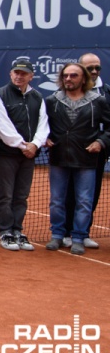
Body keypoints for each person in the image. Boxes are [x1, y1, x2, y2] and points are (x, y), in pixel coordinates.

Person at [44, 63, 110, 255]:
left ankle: (79, 237)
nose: (68, 79)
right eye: (65, 76)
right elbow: (42, 124)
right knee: (57, 200)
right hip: (59, 156)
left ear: (83, 79)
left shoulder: (98, 101)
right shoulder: (52, 100)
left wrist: (101, 141)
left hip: (87, 158)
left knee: (84, 201)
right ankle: (57, 235)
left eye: (74, 76)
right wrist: (44, 138)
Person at [0, 58, 49, 251]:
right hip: (7, 153)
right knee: (5, 195)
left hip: (29, 154)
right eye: (16, 72)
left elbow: (43, 124)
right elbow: (2, 126)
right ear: (10, 74)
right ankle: (5, 231)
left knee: (21, 195)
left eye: (23, 74)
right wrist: (23, 145)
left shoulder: (38, 97)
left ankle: (17, 230)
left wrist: (35, 144)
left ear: (31, 76)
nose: (19, 76)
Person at [61, 53, 109, 249]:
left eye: (97, 67)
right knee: (67, 192)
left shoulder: (106, 93)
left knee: (91, 193)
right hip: (69, 152)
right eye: (90, 68)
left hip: (95, 153)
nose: (95, 71)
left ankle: (83, 231)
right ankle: (64, 232)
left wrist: (100, 141)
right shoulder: (66, 92)